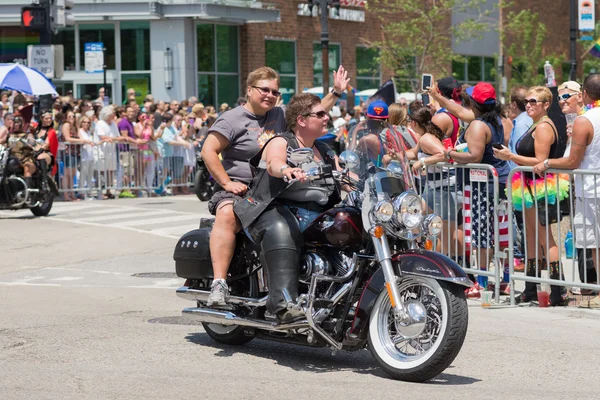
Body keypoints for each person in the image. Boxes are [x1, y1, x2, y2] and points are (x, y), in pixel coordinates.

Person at [204, 65, 350, 306]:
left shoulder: (279, 114)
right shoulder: (232, 119)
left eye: (275, 92)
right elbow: (208, 151)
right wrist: (227, 182)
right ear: (249, 90)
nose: (270, 95)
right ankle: (219, 284)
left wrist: (335, 91)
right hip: (241, 186)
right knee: (228, 213)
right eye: (264, 90)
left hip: (271, 187)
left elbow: (312, 113)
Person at [233, 93, 342, 322]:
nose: (326, 117)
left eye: (326, 113)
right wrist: (286, 170)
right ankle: (283, 305)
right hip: (272, 208)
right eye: (320, 114)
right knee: (281, 230)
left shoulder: (325, 150)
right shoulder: (281, 142)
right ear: (301, 120)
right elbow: (274, 162)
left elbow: (344, 175)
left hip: (314, 213)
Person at [493, 86, 568, 306]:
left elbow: (540, 161)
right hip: (526, 185)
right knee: (531, 237)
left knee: (546, 238)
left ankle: (557, 290)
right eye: (527, 101)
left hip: (540, 187)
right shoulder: (535, 124)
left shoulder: (544, 127)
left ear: (546, 105)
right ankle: (531, 288)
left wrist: (510, 156)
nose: (529, 105)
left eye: (534, 101)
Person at [533, 73, 600, 307]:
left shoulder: (585, 120)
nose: (562, 100)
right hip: (584, 187)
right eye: (559, 96)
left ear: (582, 95)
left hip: (590, 189)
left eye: (567, 96)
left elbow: (572, 161)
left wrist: (547, 163)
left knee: (593, 243)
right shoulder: (578, 120)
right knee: (590, 242)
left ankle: (594, 288)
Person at [443, 82, 510, 287]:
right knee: (501, 231)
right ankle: (504, 279)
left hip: (484, 185)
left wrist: (450, 153)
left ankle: (481, 281)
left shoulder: (478, 125)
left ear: (473, 102)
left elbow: (475, 155)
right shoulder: (497, 120)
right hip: (499, 181)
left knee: (482, 233)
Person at [408, 106, 459, 256]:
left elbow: (444, 155)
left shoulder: (426, 138)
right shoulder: (423, 137)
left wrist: (423, 162)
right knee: (412, 217)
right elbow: (413, 153)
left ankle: (437, 266)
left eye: (409, 121)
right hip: (433, 188)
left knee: (444, 236)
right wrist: (392, 156)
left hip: (444, 188)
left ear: (415, 123)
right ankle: (421, 252)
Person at [94, 106, 119, 199]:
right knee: (101, 170)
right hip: (101, 150)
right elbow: (103, 137)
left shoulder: (113, 124)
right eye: (112, 113)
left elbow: (116, 135)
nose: (114, 114)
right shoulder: (100, 123)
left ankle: (108, 190)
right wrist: (115, 138)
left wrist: (116, 138)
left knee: (110, 171)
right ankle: (100, 190)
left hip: (111, 150)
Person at [60, 111, 82, 201]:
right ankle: (66, 194)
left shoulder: (75, 127)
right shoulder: (66, 125)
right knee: (67, 174)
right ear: (66, 117)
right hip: (68, 152)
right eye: (70, 116)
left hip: (75, 151)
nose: (72, 118)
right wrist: (82, 141)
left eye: (73, 116)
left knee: (72, 174)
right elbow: (67, 138)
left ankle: (72, 194)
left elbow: (80, 137)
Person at [77, 115, 95, 199]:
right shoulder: (80, 131)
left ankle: (89, 191)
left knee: (90, 174)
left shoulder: (89, 132)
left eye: (88, 122)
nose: (86, 124)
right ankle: (81, 191)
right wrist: (87, 141)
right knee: (83, 174)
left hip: (91, 155)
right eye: (84, 122)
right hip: (84, 155)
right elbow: (81, 140)